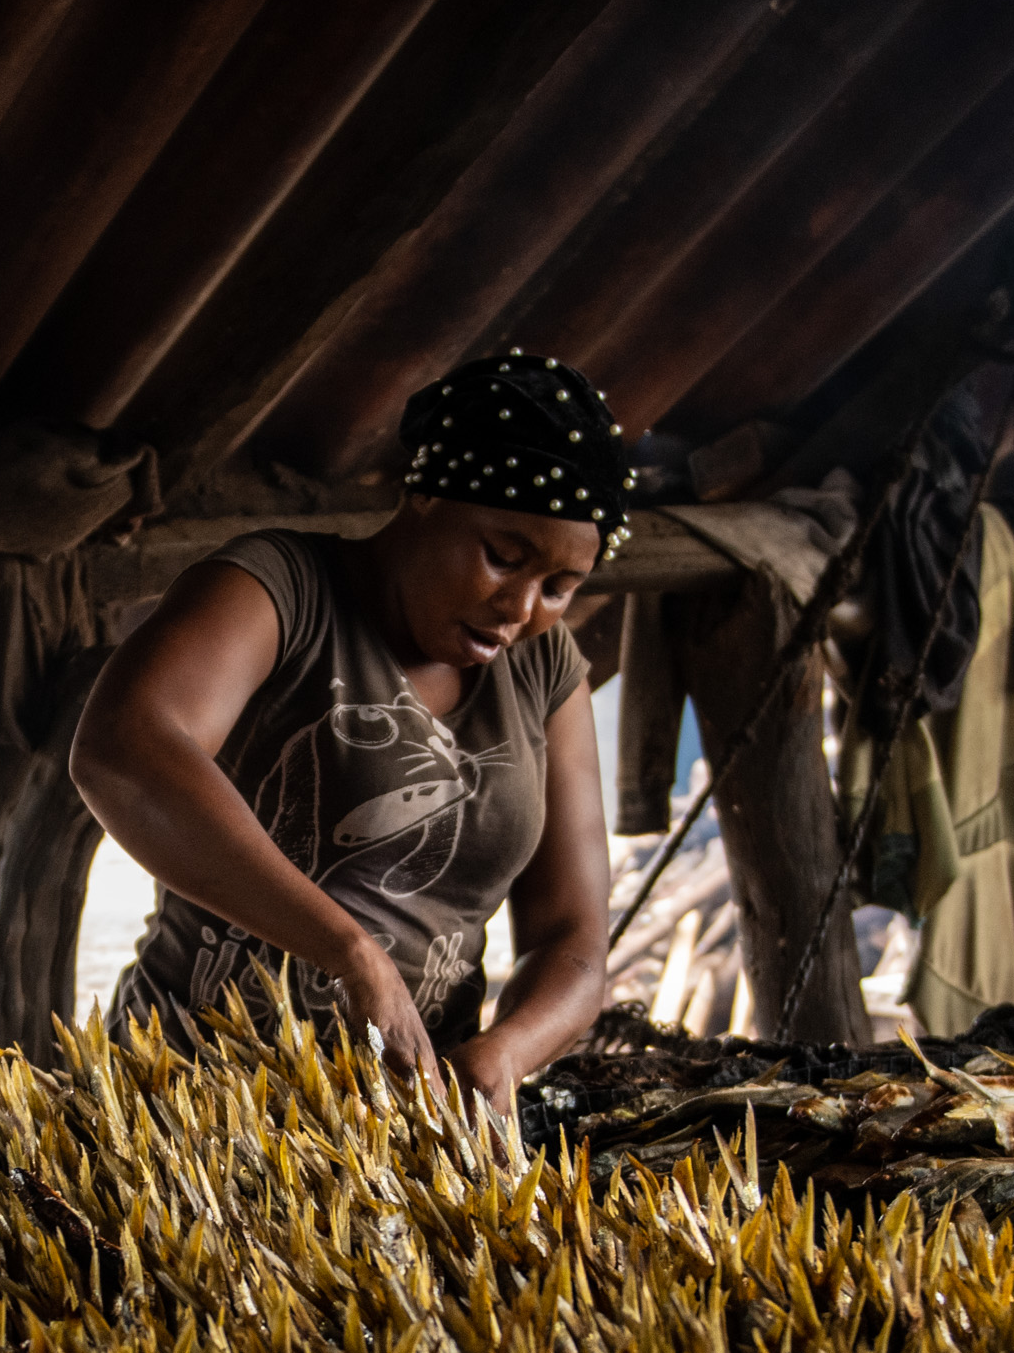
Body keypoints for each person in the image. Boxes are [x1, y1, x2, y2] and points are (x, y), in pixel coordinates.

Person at [71, 352, 621, 1101]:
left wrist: (503, 1056)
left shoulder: (545, 669)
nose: (521, 610)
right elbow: (123, 748)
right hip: (188, 1093)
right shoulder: (282, 590)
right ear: (424, 494)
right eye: (502, 557)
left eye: (559, 587)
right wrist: (350, 954)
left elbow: (575, 940)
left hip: (396, 1123)